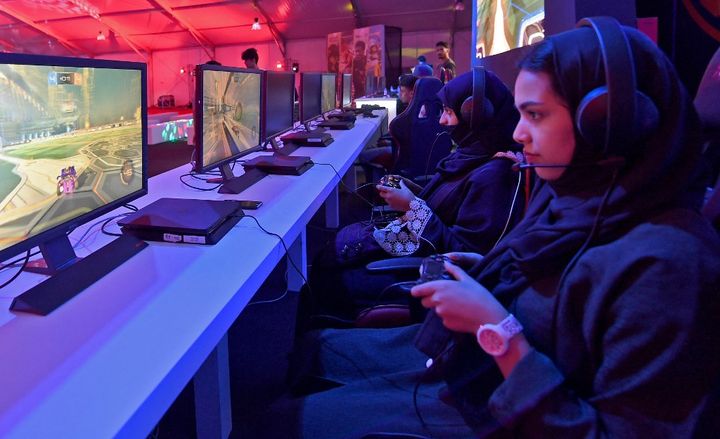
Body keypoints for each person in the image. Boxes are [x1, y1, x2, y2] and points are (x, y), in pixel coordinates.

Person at [253, 19, 720, 438]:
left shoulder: (669, 266)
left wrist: (499, 328)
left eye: (535, 115)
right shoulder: (580, 201)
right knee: (311, 354)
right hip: (477, 373)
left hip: (506, 407)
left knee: (281, 421)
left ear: (605, 126)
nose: (516, 133)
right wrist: (487, 272)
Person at [302, 69, 523, 324]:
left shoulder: (495, 174)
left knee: (327, 271)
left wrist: (411, 205)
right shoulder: (471, 155)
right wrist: (410, 190)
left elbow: (463, 256)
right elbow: (447, 204)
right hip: (417, 240)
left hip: (426, 265)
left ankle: (320, 344)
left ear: (476, 116)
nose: (441, 120)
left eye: (448, 112)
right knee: (331, 252)